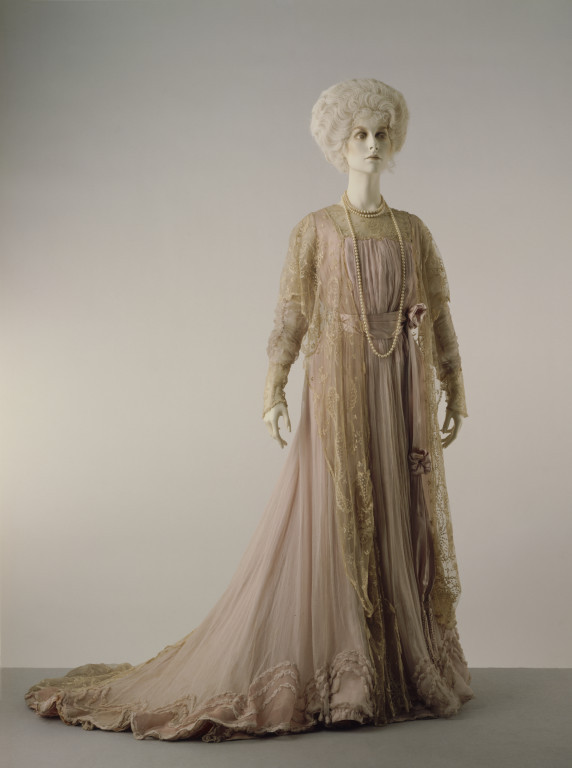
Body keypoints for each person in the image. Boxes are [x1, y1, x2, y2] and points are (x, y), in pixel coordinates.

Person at [25, 78, 474, 743]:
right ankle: (343, 673)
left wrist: (454, 385)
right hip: (341, 391)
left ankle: (394, 667)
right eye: (359, 134)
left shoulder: (413, 231)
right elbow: (292, 314)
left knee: (398, 509)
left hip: (400, 391)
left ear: (394, 139)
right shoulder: (316, 230)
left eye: (381, 134)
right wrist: (274, 386)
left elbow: (437, 314)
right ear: (339, 143)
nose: (372, 145)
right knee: (335, 515)